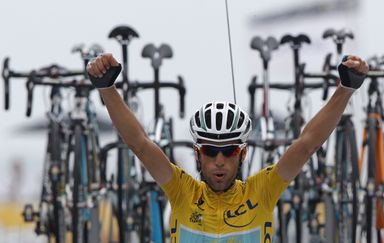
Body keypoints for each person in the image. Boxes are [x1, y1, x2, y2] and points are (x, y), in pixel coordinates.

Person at [87, 53, 368, 242]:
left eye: (229, 150)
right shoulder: (182, 191)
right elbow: (140, 145)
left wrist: (345, 88)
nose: (219, 160)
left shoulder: (263, 190)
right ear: (198, 154)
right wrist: (107, 88)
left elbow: (308, 144)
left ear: (243, 153)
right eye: (210, 151)